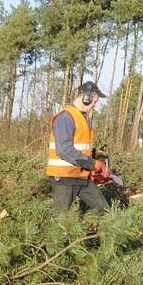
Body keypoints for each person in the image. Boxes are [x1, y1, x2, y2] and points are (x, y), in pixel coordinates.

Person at [45, 81, 110, 214]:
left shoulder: (84, 118)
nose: (94, 105)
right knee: (60, 219)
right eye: (94, 101)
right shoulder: (65, 117)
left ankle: (99, 234)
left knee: (104, 210)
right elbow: (64, 150)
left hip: (81, 177)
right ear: (86, 98)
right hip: (64, 178)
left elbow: (79, 146)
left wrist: (95, 154)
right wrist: (93, 164)